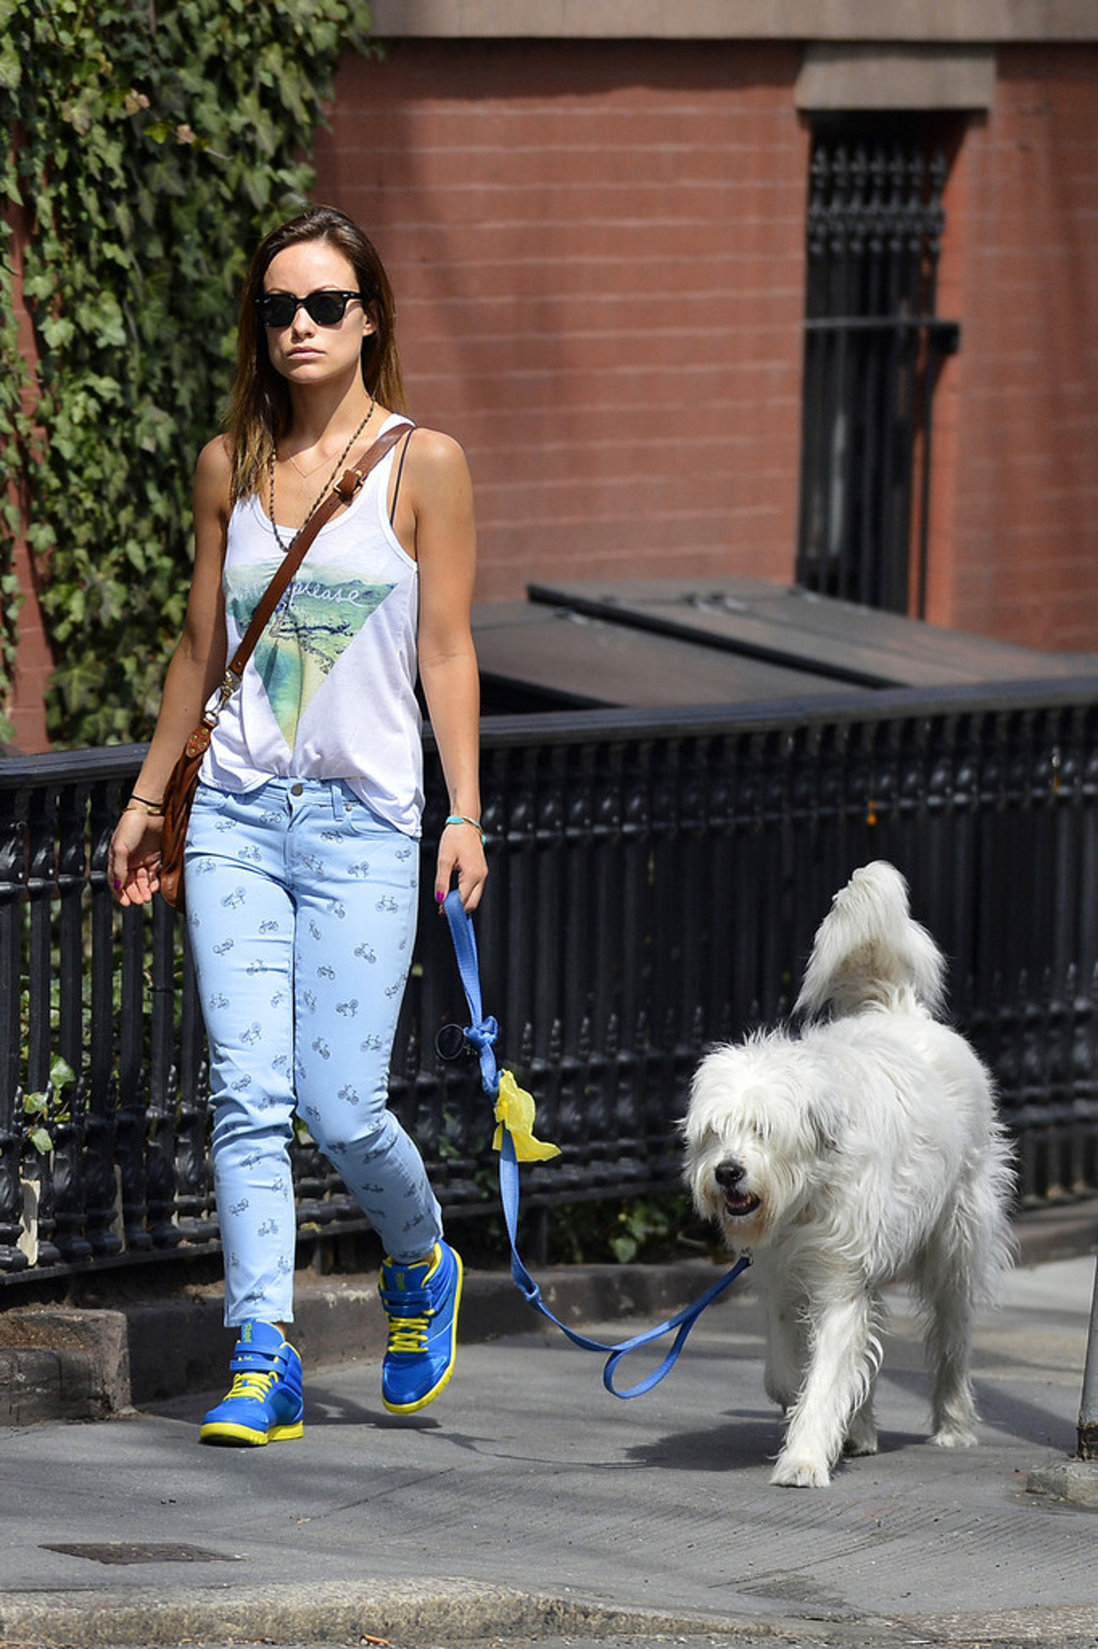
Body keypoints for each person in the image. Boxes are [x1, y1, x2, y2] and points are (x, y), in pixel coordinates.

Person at [108, 205, 487, 1446]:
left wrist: (464, 810)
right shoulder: (230, 463)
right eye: (279, 307)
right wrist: (148, 800)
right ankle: (262, 1351)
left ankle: (421, 1255)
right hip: (236, 815)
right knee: (246, 1093)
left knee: (340, 1101)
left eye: (326, 304)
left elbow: (446, 649)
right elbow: (198, 648)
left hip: (362, 822)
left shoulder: (423, 464)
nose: (301, 326)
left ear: (370, 316)